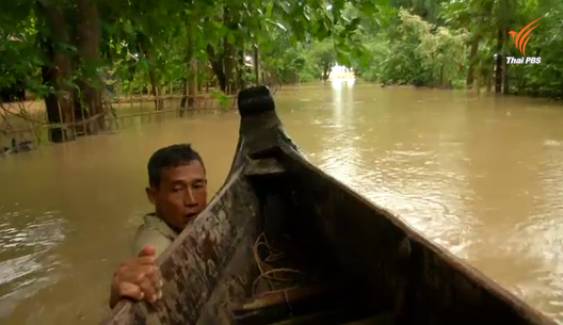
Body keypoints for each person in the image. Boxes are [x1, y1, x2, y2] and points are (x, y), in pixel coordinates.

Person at [109, 144, 208, 308]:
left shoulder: (175, 224)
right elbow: (146, 275)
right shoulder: (155, 247)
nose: (191, 200)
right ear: (153, 195)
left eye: (197, 186)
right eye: (177, 190)